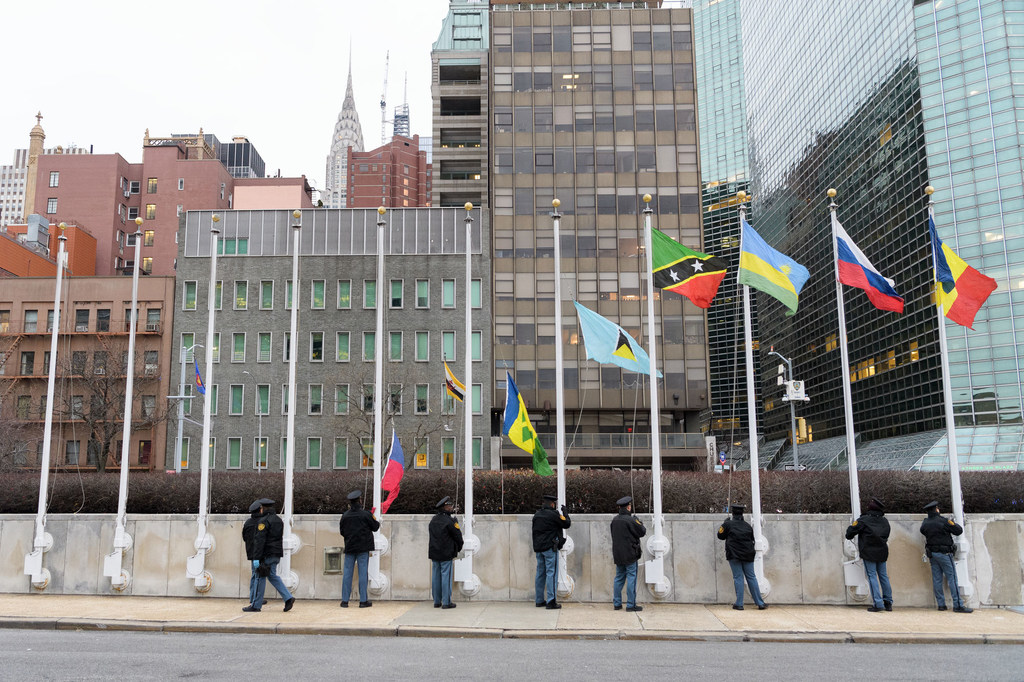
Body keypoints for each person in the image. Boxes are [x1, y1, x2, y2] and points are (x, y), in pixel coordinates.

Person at [920, 500, 973, 613]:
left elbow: (922, 531)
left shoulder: (925, 523)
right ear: (936, 510)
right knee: (952, 578)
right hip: (945, 553)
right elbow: (958, 531)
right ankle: (958, 604)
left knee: (937, 579)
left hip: (933, 554)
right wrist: (952, 522)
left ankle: (941, 604)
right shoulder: (943, 521)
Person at [243, 499, 295, 613]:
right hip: (276, 553)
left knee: (259, 577)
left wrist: (256, 557)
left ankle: (256, 605)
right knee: (272, 576)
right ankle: (288, 598)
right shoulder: (278, 520)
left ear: (262, 508)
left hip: (266, 554)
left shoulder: (263, 522)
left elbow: (259, 541)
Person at [846, 497, 892, 612]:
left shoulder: (864, 520)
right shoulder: (884, 521)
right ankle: (888, 602)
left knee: (872, 576)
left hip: (868, 552)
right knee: (883, 576)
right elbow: (887, 534)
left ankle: (878, 603)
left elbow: (850, 532)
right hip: (882, 551)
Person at [717, 504, 767, 611]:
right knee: (751, 577)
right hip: (748, 554)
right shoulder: (747, 526)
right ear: (742, 514)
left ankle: (739, 604)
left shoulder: (728, 524)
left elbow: (720, 536)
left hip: (734, 555)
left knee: (738, 577)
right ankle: (760, 603)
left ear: (733, 513)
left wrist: (724, 523)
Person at [339, 489, 380, 608]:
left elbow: (342, 531)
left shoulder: (345, 515)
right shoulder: (366, 514)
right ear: (360, 500)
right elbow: (375, 527)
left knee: (347, 573)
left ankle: (344, 601)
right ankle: (363, 601)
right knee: (363, 573)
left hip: (350, 547)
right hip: (363, 548)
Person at [532, 493, 571, 609]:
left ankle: (539, 600)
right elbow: (566, 524)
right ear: (553, 504)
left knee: (540, 574)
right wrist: (565, 513)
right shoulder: (554, 515)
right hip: (549, 548)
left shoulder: (537, 515)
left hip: (539, 549)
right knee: (551, 574)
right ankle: (551, 601)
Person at [610, 495, 646, 612]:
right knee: (631, 577)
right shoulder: (631, 520)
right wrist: (639, 522)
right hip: (630, 554)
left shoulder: (615, 520)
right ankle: (631, 604)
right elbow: (642, 532)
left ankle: (617, 603)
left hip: (618, 554)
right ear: (629, 508)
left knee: (619, 578)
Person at [428, 496, 464, 609]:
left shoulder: (433, 520)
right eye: (450, 505)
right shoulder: (450, 521)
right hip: (446, 553)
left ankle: (437, 601)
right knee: (445, 576)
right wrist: (459, 547)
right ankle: (446, 602)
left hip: (434, 552)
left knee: (435, 577)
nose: (451, 507)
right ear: (445, 507)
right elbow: (458, 536)